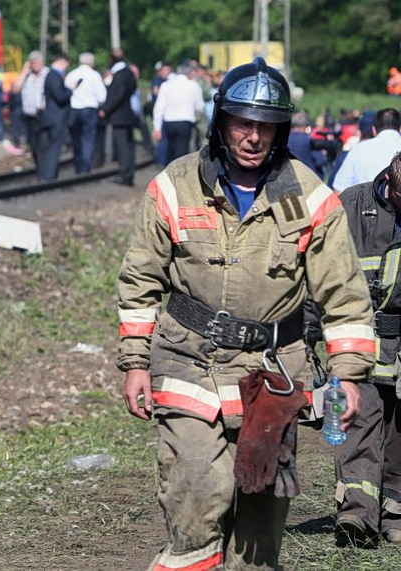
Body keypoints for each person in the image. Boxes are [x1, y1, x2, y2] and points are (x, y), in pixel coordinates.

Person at [118, 57, 375, 571]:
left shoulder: (309, 196)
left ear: (281, 130)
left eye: (266, 126)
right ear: (221, 121)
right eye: (242, 123)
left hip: (273, 374)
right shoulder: (175, 185)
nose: (253, 137)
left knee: (260, 523)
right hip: (188, 360)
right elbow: (140, 278)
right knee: (198, 492)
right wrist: (135, 362)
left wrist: (348, 375)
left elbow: (344, 293)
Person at [334, 151, 401, 547]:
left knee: (398, 430)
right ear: (390, 182)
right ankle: (357, 512)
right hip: (359, 337)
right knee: (358, 418)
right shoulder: (351, 205)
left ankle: (394, 511)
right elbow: (321, 271)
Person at [333, 107, 401, 191]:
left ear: (374, 130)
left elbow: (339, 190)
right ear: (400, 128)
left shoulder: (358, 149)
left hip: (365, 198)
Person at [99, 48, 138, 186]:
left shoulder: (120, 74)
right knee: (127, 146)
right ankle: (128, 173)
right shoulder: (129, 73)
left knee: (122, 147)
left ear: (112, 59)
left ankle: (125, 174)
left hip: (119, 116)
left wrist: (106, 109)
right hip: (127, 114)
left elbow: (118, 95)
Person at [65, 52, 108, 174]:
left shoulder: (71, 74)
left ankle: (78, 166)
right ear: (92, 63)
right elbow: (102, 96)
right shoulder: (95, 75)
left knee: (76, 139)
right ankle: (85, 166)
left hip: (73, 110)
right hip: (89, 110)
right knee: (88, 139)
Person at [153, 64, 205, 164]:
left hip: (169, 121)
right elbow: (200, 106)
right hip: (185, 121)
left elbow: (159, 107)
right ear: (189, 73)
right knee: (182, 150)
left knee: (171, 149)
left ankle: (169, 167)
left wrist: (157, 127)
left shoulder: (166, 85)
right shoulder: (194, 85)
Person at [34, 53, 72, 180]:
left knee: (52, 146)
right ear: (63, 62)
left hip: (52, 117)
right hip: (56, 118)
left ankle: (49, 173)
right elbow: (60, 96)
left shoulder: (51, 75)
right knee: (54, 146)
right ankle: (49, 175)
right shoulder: (53, 76)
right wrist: (71, 90)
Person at [286, 111, 326, 177]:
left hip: (287, 176)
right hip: (306, 177)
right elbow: (320, 160)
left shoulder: (284, 139)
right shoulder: (308, 140)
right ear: (304, 127)